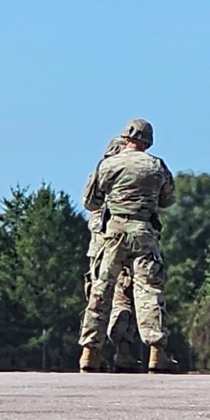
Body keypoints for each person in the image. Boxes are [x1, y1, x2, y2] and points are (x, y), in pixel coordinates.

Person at [78, 118, 177, 373]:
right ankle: (157, 352)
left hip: (113, 233)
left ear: (125, 138)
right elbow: (168, 199)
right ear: (148, 141)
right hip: (144, 231)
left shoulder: (108, 164)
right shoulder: (156, 165)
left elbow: (90, 201)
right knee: (149, 291)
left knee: (101, 290)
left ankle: (90, 351)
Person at [83, 135, 140, 372]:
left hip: (100, 243)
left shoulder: (101, 172)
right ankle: (124, 351)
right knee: (123, 298)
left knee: (98, 294)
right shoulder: (134, 179)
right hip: (125, 237)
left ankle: (91, 352)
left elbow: (88, 202)